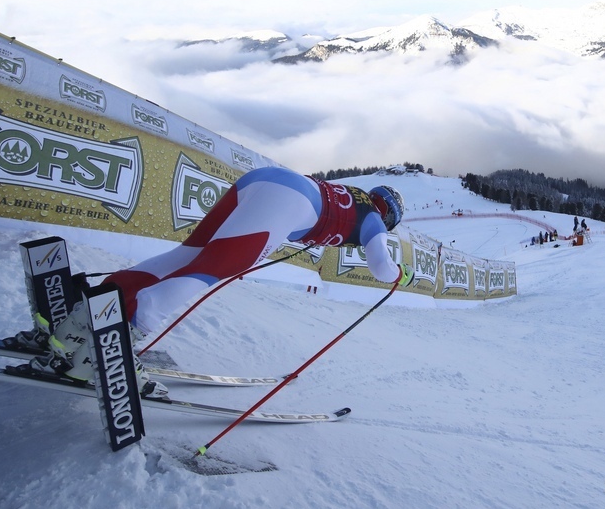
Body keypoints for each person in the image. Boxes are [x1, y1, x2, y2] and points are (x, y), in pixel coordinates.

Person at [24, 166, 411, 399]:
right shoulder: (373, 219)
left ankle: (84, 317)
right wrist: (398, 275)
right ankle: (113, 344)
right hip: (290, 202)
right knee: (209, 270)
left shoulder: (354, 195)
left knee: (186, 257)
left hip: (266, 182)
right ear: (389, 216)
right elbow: (381, 267)